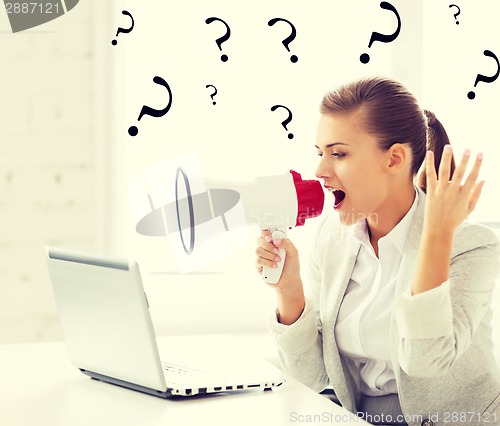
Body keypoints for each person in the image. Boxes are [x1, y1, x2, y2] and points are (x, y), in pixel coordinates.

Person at [255, 76, 500, 426]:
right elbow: (312, 377)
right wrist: (288, 290)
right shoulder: (333, 238)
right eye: (320, 153)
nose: (320, 171)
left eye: (338, 154)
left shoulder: (469, 244)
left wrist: (438, 233)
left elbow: (424, 361)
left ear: (395, 159)